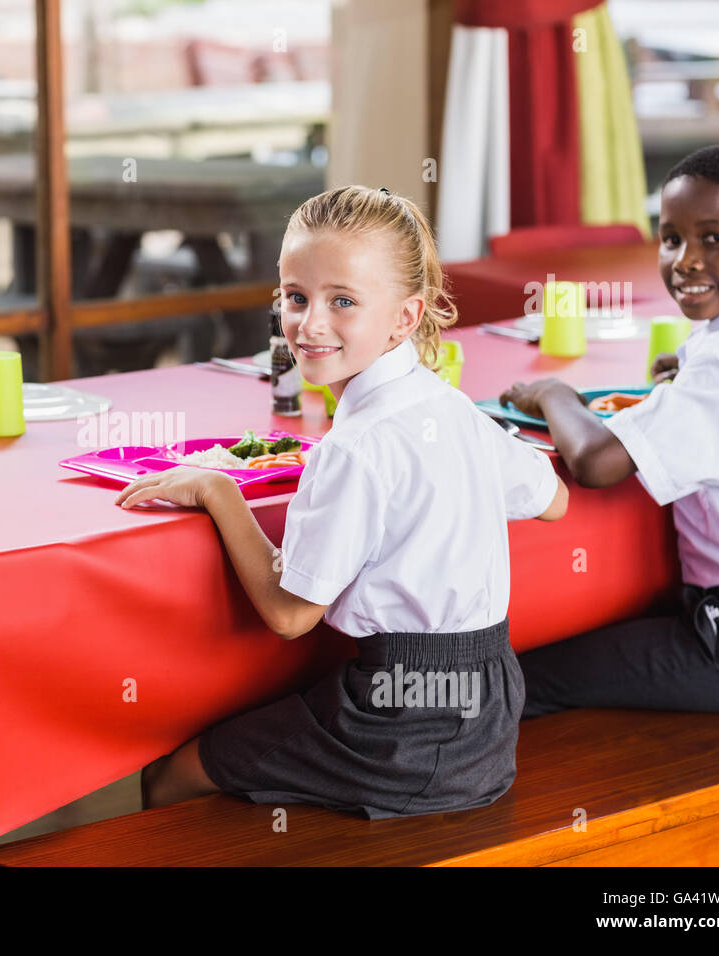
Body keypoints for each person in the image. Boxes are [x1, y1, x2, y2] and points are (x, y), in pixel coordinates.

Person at [118, 186, 568, 815]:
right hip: (491, 710)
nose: (311, 324)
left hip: (404, 723)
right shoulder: (452, 409)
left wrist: (218, 490)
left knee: (175, 771)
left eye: (344, 302)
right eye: (295, 298)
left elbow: (289, 616)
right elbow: (554, 501)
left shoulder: (355, 447)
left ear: (406, 317)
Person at [501, 143, 719, 717]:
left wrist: (555, 393)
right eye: (672, 238)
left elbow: (595, 462)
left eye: (714, 238)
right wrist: (686, 376)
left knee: (526, 674)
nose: (685, 260)